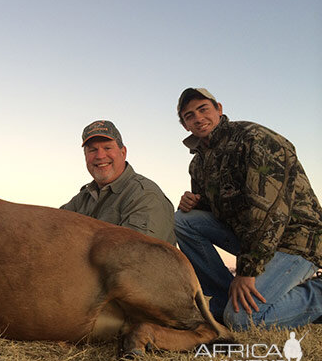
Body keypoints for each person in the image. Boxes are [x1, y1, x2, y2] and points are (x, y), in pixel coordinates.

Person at [174, 87, 322, 330]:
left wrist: (246, 271)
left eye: (203, 109)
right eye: (189, 115)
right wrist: (197, 203)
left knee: (242, 320)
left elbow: (269, 212)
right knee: (183, 219)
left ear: (219, 109)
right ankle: (223, 300)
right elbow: (221, 209)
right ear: (185, 125)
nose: (198, 118)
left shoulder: (255, 138)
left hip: (297, 241)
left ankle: (316, 292)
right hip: (254, 241)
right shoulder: (199, 162)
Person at [61, 120, 176, 245]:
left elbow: (134, 255)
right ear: (85, 157)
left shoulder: (145, 195)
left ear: (123, 152)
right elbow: (53, 228)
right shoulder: (83, 198)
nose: (100, 156)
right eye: (92, 150)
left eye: (107, 148)